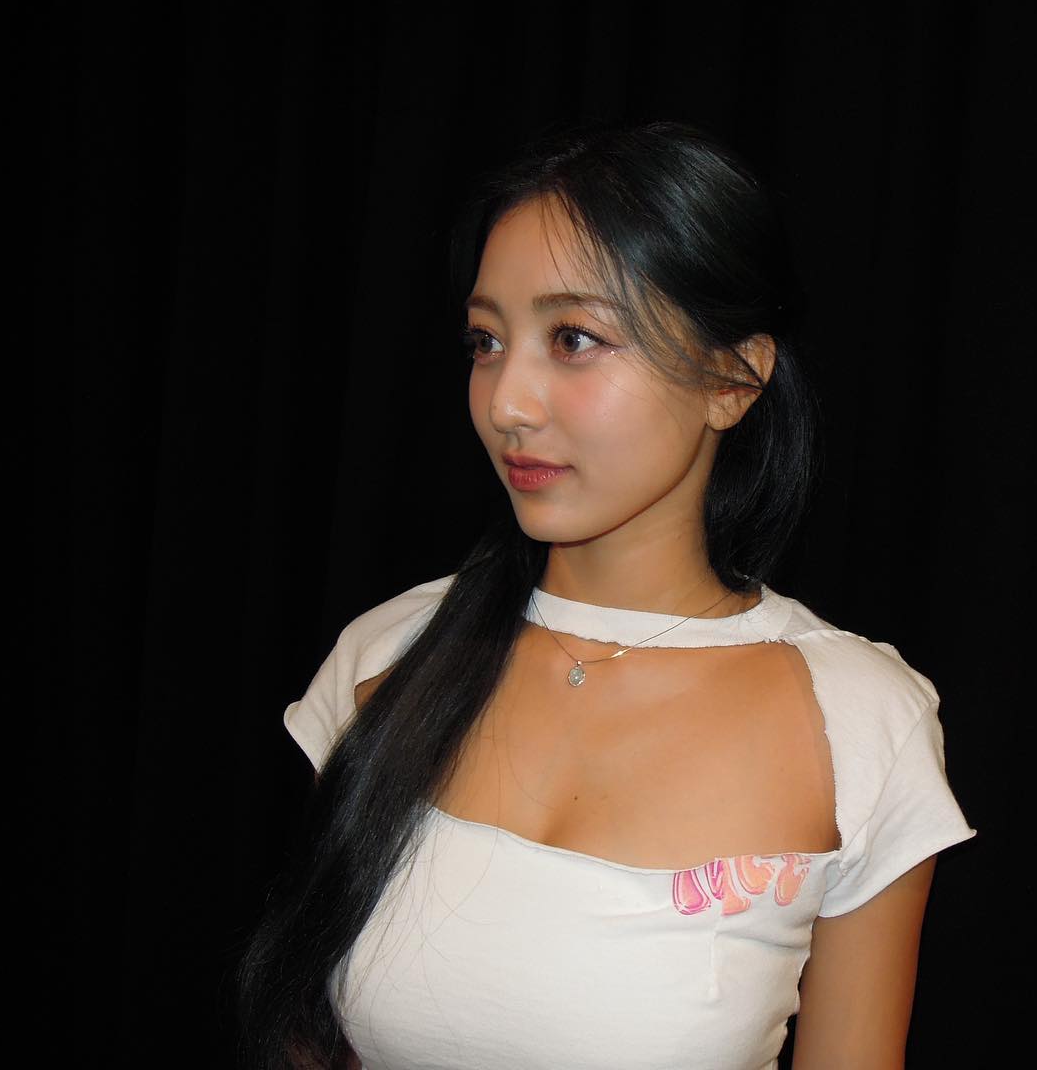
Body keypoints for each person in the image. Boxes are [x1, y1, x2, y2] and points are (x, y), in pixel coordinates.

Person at [237, 120, 976, 1070]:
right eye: (485, 341)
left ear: (733, 377)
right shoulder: (388, 654)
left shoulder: (860, 723)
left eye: (574, 339)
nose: (507, 402)